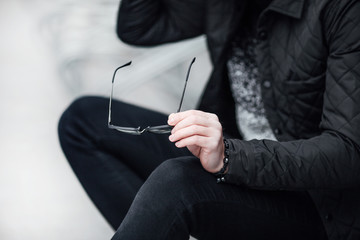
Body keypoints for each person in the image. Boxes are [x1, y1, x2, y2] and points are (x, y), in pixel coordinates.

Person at [58, 0, 360, 239]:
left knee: (177, 184)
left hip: (320, 205)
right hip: (239, 158)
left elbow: (349, 152)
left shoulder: (343, 9)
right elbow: (139, 26)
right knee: (83, 123)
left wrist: (230, 157)